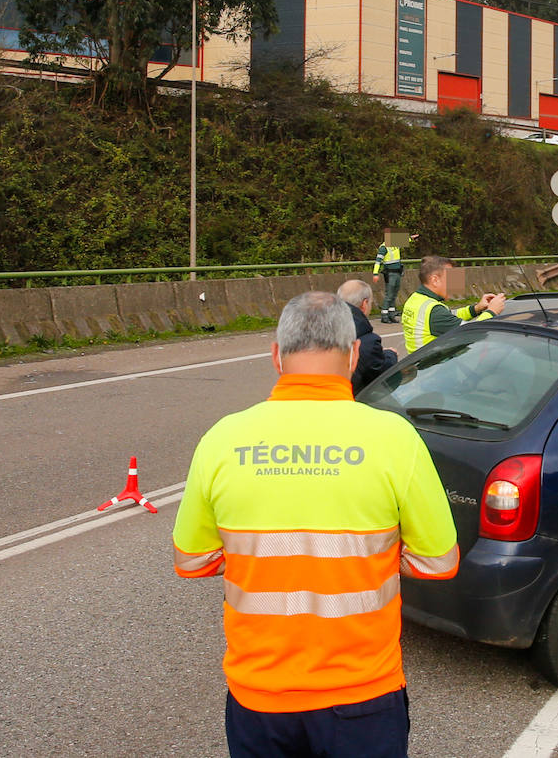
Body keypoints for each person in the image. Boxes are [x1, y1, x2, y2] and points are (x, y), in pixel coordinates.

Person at [172, 291, 458, 758]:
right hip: (363, 694)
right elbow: (439, 561)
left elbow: (191, 560)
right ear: (351, 357)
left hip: (259, 698)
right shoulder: (394, 439)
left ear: (276, 357)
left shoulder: (222, 439)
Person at [400, 255, 506, 354]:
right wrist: (492, 311)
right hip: (434, 367)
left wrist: (476, 308)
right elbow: (472, 333)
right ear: (435, 280)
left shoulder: (416, 299)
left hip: (419, 364)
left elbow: (451, 316)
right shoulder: (435, 312)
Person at [338, 279, 398, 394]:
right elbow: (378, 370)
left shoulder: (325, 328)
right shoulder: (367, 341)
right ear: (364, 304)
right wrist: (391, 355)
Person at [372, 232, 414, 323]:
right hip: (390, 273)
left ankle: (391, 314)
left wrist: (411, 237)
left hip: (397, 272)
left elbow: (406, 240)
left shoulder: (395, 244)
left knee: (394, 294)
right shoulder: (383, 248)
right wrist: (375, 273)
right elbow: (378, 261)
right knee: (389, 294)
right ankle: (384, 315)